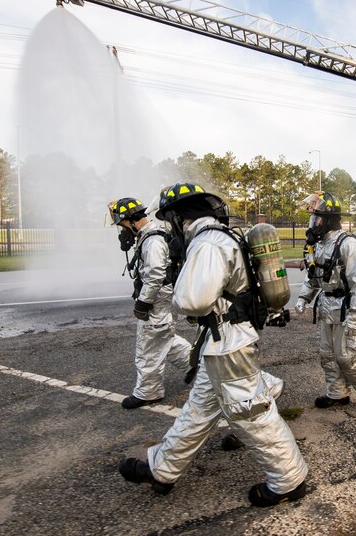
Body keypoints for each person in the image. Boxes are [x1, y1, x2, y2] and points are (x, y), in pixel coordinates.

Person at [118, 183, 308, 506]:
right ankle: (162, 469)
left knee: (252, 414)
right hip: (220, 342)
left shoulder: (207, 244)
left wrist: (178, 287)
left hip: (228, 346)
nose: (171, 228)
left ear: (182, 217)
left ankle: (290, 479)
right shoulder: (222, 236)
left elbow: (193, 300)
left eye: (172, 220)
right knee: (197, 411)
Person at [294, 192, 356, 411]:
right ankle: (337, 393)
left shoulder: (348, 245)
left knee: (347, 355)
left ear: (330, 220)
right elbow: (313, 276)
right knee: (328, 355)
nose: (313, 224)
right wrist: (304, 297)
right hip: (326, 307)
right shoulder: (318, 245)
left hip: (346, 307)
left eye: (318, 219)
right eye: (312, 219)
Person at [109, 197, 193, 409]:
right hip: (161, 298)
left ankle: (148, 392)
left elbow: (155, 274)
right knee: (166, 340)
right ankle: (202, 369)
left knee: (147, 346)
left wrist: (143, 302)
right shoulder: (148, 236)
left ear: (131, 221)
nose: (122, 231)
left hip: (157, 301)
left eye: (122, 226)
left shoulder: (153, 240)